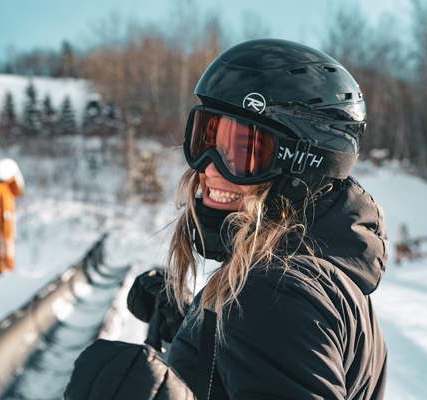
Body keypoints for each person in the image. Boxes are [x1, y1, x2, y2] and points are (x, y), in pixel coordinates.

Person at [130, 39, 388, 400]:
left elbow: (276, 331)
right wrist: (198, 326)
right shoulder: (324, 271)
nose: (209, 167)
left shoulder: (273, 295)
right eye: (207, 137)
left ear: (300, 169)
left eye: (243, 151)